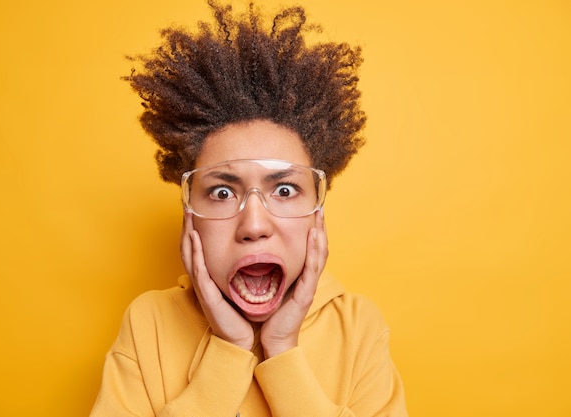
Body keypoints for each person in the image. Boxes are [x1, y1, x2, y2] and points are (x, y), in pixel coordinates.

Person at [90, 1, 408, 416]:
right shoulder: (149, 322)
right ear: (190, 217)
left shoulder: (358, 326)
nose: (254, 225)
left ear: (317, 211)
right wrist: (230, 350)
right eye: (222, 193)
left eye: (285, 190)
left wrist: (281, 351)